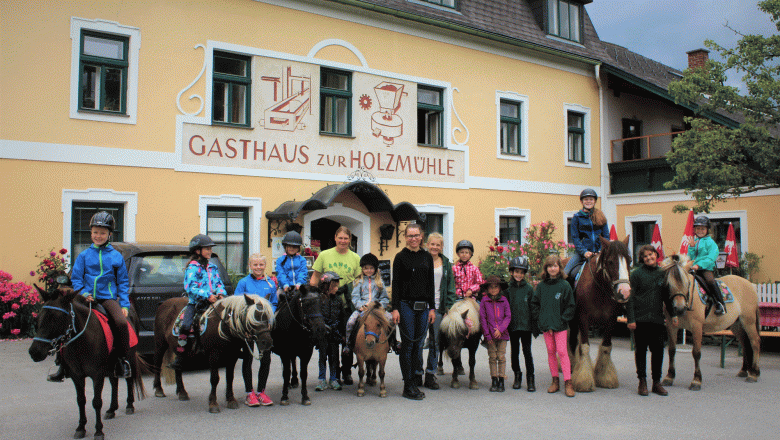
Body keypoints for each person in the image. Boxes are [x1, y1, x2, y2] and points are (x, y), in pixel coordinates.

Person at [69, 211, 132, 379]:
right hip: (85, 298)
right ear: (91, 233)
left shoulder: (116, 257)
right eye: (95, 232)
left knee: (120, 322)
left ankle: (122, 360)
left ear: (109, 234)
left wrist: (124, 304)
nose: (98, 236)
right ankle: (63, 363)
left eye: (102, 233)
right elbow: (76, 279)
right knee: (66, 320)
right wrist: (83, 293)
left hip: (106, 299)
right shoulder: (83, 256)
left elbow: (123, 282)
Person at [310, 226, 361, 385]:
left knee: (347, 340)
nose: (343, 241)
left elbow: (359, 280)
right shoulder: (324, 255)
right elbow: (314, 279)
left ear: (349, 240)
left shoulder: (355, 258)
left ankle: (345, 371)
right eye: (340, 238)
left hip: (346, 303)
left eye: (346, 239)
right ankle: (327, 374)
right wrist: (317, 296)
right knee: (327, 340)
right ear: (335, 238)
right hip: (327, 304)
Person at [169, 234, 227, 371]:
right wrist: (207, 296)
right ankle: (180, 354)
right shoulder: (192, 268)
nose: (210, 251)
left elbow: (219, 283)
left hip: (216, 302)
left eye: (210, 249)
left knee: (230, 320)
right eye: (207, 249)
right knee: (185, 325)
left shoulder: (213, 267)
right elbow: (191, 287)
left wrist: (220, 293)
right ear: (197, 251)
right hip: (197, 303)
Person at [391, 223, 436, 400]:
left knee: (418, 345)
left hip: (423, 307)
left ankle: (414, 381)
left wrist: (432, 307)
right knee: (408, 345)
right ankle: (408, 385)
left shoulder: (427, 257)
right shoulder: (400, 257)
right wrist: (395, 308)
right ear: (405, 237)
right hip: (405, 306)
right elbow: (395, 285)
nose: (413, 239)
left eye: (416, 235)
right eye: (410, 236)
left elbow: (431, 284)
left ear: (421, 236)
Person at [628, 245, 674, 397]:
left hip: (657, 320)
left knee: (658, 352)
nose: (648, 258)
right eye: (645, 256)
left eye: (651, 254)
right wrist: (631, 318)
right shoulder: (636, 274)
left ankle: (656, 382)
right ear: (642, 259)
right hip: (640, 320)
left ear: (656, 254)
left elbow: (667, 296)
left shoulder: (663, 273)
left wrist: (673, 315)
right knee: (640, 352)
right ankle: (642, 381)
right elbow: (630, 298)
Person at [234, 253, 278, 407]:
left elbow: (274, 303)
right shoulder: (243, 283)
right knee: (248, 359)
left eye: (261, 265)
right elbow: (237, 304)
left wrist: (268, 316)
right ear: (250, 266)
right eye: (255, 265)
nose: (258, 268)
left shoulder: (271, 284)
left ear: (265, 266)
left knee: (266, 358)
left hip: (263, 328)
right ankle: (249, 393)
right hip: (248, 327)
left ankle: (261, 391)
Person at [531, 255, 576, 397]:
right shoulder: (542, 286)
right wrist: (541, 319)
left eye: (555, 265)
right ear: (546, 269)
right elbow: (535, 304)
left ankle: (568, 382)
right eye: (550, 266)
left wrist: (563, 320)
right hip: (546, 326)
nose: (553, 268)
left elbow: (570, 306)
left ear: (559, 268)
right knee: (551, 351)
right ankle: (555, 380)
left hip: (560, 325)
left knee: (562, 352)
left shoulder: (565, 285)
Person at [345, 253, 394, 358]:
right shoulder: (359, 281)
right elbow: (355, 297)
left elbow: (385, 297)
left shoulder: (379, 282)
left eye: (371, 268)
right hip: (363, 309)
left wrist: (381, 306)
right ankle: (348, 344)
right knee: (350, 322)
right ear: (362, 269)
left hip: (377, 310)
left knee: (391, 319)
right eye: (366, 268)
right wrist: (360, 306)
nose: (369, 270)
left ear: (375, 269)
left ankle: (393, 342)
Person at [423, 232, 455, 389]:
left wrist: (449, 305)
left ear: (442, 247)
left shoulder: (446, 264)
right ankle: (416, 373)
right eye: (432, 244)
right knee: (419, 341)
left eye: (438, 245)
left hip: (439, 307)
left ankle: (430, 374)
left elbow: (450, 286)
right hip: (422, 307)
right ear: (427, 245)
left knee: (435, 342)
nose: (435, 247)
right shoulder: (421, 260)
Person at [505, 256, 537, 391]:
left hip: (526, 326)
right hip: (513, 326)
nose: (519, 275)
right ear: (512, 272)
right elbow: (504, 307)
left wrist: (535, 325)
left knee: (527, 351)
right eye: (516, 272)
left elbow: (533, 307)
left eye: (522, 272)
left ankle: (531, 379)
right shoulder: (507, 289)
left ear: (525, 274)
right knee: (514, 352)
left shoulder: (529, 289)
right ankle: (517, 376)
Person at [564, 188, 610, 279]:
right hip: (583, 253)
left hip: (600, 252)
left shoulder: (601, 216)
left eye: (591, 199)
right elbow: (575, 238)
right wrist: (584, 252)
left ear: (595, 201)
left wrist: (601, 250)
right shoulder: (577, 217)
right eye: (586, 199)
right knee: (565, 272)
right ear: (582, 201)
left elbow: (606, 236)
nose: (588, 201)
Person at [479, 275, 511, 392]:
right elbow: (483, 319)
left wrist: (501, 329)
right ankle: (494, 380)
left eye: (496, 287)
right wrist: (487, 335)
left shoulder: (504, 300)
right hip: (490, 336)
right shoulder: (484, 301)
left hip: (502, 335)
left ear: (500, 288)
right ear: (487, 289)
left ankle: (501, 380)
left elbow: (508, 316)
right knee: (492, 357)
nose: (493, 289)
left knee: (501, 357)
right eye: (491, 287)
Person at [315, 271, 346, 392]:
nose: (336, 288)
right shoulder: (318, 299)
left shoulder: (338, 300)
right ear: (325, 286)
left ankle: (333, 378)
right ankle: (321, 379)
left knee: (334, 356)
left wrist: (343, 333)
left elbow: (342, 317)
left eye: (337, 286)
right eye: (334, 286)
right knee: (322, 356)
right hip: (322, 333)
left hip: (335, 333)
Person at [688, 216, 725, 315]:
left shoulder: (711, 243)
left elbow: (711, 257)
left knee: (710, 281)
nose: (700, 231)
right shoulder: (694, 241)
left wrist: (699, 265)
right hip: (693, 267)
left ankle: (720, 304)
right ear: (695, 229)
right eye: (698, 228)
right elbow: (690, 257)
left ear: (707, 230)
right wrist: (691, 247)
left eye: (703, 228)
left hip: (705, 268)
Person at [275, 231, 308, 297]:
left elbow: (303, 272)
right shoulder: (280, 260)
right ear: (285, 246)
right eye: (289, 246)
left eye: (294, 246)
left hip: (299, 287)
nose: (291, 248)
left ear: (298, 248)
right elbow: (281, 274)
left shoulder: (302, 260)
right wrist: (285, 285)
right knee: (277, 297)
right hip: (285, 287)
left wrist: (299, 284)